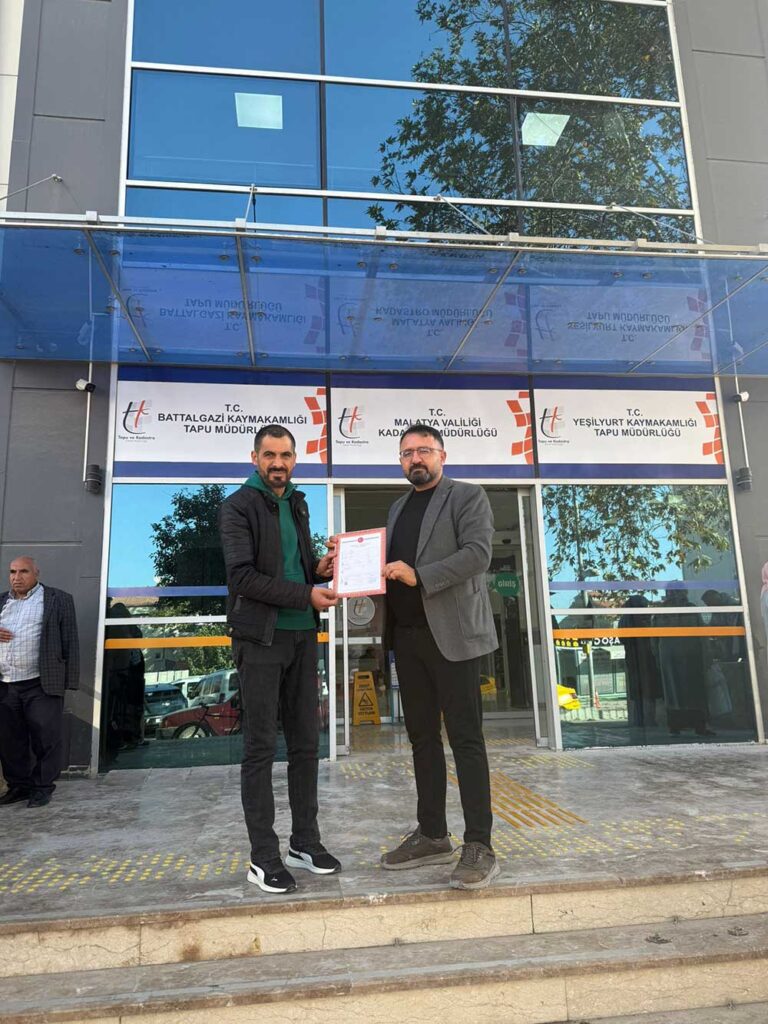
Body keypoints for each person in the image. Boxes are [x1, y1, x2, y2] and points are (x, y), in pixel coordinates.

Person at [218, 424, 340, 894]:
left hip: (302, 636)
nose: (278, 463)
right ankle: (263, 857)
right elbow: (243, 577)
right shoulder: (237, 506)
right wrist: (306, 593)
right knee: (261, 748)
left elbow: (294, 569)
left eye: (285, 455)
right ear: (255, 458)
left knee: (307, 744)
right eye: (269, 455)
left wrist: (318, 571)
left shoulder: (298, 503)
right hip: (261, 639)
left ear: (294, 459)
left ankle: (304, 843)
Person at [380, 423, 499, 890]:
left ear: (442, 456)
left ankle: (480, 844)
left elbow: (477, 554)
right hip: (408, 639)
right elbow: (389, 568)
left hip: (453, 638)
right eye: (407, 452)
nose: (415, 458)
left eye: (424, 450)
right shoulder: (397, 508)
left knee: (466, 739)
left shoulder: (467, 496)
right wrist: (350, 562)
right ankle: (432, 834)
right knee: (422, 739)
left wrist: (420, 575)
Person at [0, 557, 80, 808]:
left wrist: (69, 681)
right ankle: (19, 786)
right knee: (10, 741)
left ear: (36, 573)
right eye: (13, 572)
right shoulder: (2, 601)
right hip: (5, 683)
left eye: (24, 571)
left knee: (46, 738)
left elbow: (70, 640)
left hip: (41, 682)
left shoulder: (57, 599)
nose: (17, 577)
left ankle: (43, 787)